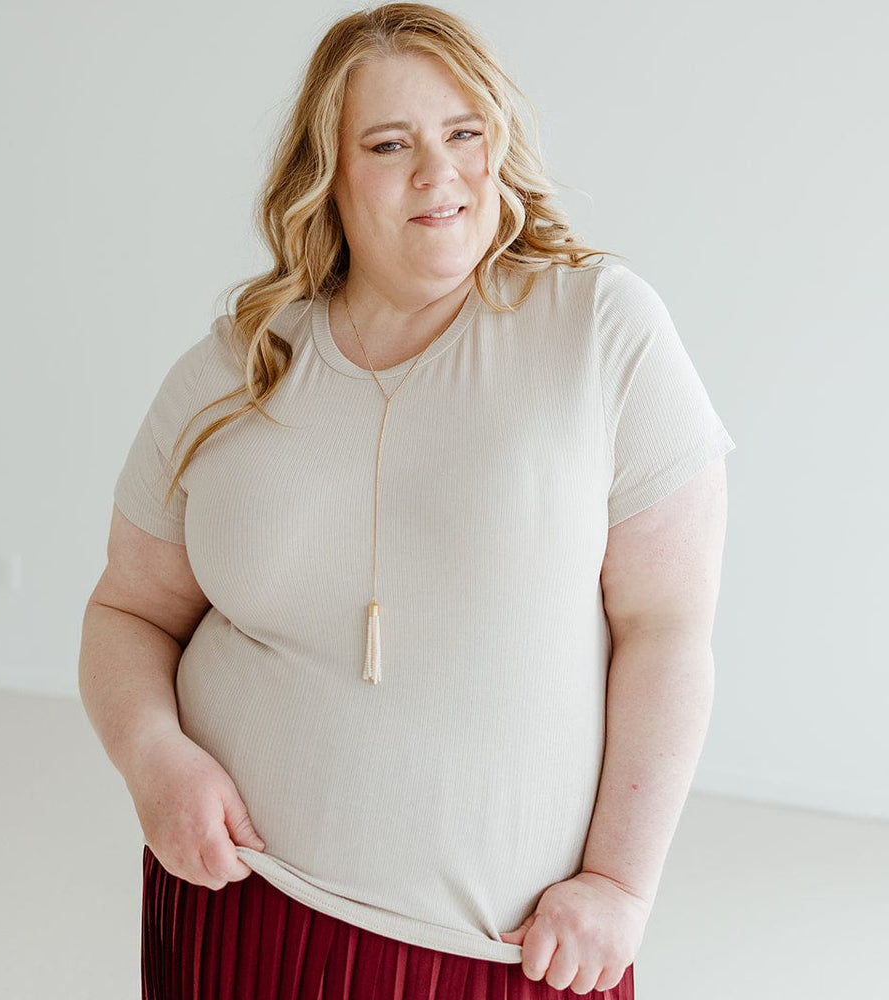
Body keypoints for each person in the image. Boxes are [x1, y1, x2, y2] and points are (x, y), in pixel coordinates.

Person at [78, 4, 734, 998]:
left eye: (463, 132)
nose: (440, 171)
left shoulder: (600, 329)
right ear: (326, 173)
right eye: (389, 143)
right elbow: (127, 608)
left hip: (500, 952)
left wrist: (616, 884)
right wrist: (153, 756)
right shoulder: (232, 367)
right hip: (236, 911)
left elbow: (667, 626)